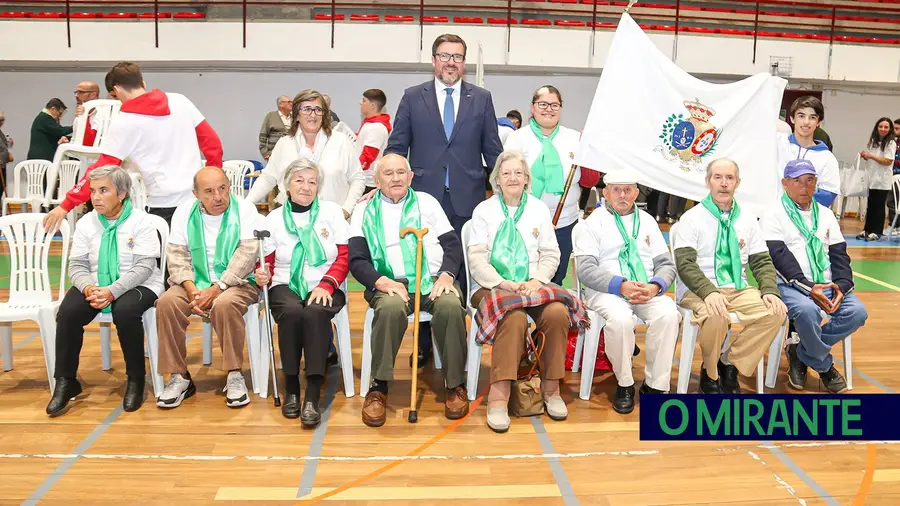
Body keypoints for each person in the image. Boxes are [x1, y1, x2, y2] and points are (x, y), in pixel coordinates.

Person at [385, 33, 504, 366]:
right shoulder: (412, 97)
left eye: (458, 56)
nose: (451, 62)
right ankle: (424, 344)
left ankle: (455, 346)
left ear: (464, 62)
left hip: (467, 200)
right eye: (445, 55)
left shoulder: (481, 98)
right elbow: (397, 146)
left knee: (460, 273)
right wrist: (389, 179)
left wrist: (507, 186)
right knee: (424, 267)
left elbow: (492, 149)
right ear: (434, 60)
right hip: (422, 199)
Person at [348, 153, 467, 427]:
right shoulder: (363, 210)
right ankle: (378, 387)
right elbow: (357, 259)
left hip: (434, 279)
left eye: (401, 172)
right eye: (388, 173)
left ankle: (455, 384)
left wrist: (447, 276)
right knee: (389, 308)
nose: (396, 178)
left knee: (450, 306)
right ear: (376, 180)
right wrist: (381, 282)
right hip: (389, 281)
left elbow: (451, 245)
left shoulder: (428, 203)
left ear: (411, 176)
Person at [43, 61, 224, 232]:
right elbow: (213, 144)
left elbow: (100, 171)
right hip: (198, 203)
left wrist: (66, 205)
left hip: (164, 209)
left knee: (164, 265)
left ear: (115, 90)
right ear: (142, 82)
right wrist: (211, 185)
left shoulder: (123, 123)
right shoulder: (180, 101)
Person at [45, 165, 164, 416]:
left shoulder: (142, 221)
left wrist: (112, 290)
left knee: (125, 310)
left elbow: (145, 266)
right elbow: (76, 265)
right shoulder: (86, 222)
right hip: (95, 283)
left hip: (138, 283)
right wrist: (88, 287)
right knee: (68, 312)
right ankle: (66, 381)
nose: (95, 197)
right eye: (92, 191)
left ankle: (135, 378)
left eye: (103, 190)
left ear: (121, 194)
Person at [467, 151, 569, 432]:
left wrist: (537, 280)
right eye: (506, 173)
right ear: (497, 180)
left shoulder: (538, 209)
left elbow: (550, 253)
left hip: (533, 285)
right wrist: (504, 283)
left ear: (527, 179)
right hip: (493, 286)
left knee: (558, 312)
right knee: (513, 317)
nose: (512, 178)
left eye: (518, 173)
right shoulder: (483, 211)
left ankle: (551, 389)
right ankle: (499, 398)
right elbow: (476, 260)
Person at [672, 158, 787, 394]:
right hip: (698, 288)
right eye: (718, 177)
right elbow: (685, 264)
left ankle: (729, 362)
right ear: (708, 181)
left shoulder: (747, 219)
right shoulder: (691, 218)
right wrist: (709, 292)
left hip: (737, 287)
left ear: (737, 183)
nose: (724, 184)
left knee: (776, 313)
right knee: (716, 315)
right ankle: (711, 373)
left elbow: (761, 261)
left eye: (729, 178)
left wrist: (769, 290)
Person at [572, 168, 680, 413]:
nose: (622, 195)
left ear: (637, 193)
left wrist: (654, 286)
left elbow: (665, 265)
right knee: (620, 320)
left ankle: (655, 386)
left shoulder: (649, 221)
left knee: (669, 314)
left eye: (628, 190)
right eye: (616, 190)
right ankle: (625, 383)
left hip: (645, 289)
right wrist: (620, 285)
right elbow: (585, 269)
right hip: (608, 291)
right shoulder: (592, 223)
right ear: (605, 193)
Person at [155, 167, 261, 409]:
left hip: (237, 282)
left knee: (224, 304)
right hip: (193, 282)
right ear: (196, 194)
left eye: (223, 188)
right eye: (209, 191)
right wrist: (193, 290)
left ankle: (234, 374)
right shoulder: (184, 212)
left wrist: (217, 287)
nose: (218, 197)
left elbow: (246, 255)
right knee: (167, 303)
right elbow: (176, 256)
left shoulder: (244, 209)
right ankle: (179, 376)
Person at [255, 159, 350, 425]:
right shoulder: (273, 219)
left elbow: (344, 256)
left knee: (315, 312)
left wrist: (327, 284)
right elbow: (267, 262)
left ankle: (312, 392)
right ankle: (292, 386)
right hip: (285, 284)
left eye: (312, 182)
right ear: (287, 186)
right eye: (299, 181)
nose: (306, 187)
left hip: (326, 283)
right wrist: (262, 273)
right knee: (294, 312)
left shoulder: (331, 213)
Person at [763, 159, 867, 394]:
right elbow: (779, 257)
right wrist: (809, 287)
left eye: (810, 181)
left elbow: (839, 254)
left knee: (857, 313)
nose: (804, 186)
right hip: (791, 285)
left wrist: (842, 285)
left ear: (816, 184)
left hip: (828, 283)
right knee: (807, 311)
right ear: (785, 183)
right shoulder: (773, 214)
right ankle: (824, 366)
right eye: (797, 181)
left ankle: (801, 353)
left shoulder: (826, 214)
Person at [504, 85, 600, 286]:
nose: (549, 109)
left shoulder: (574, 138)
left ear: (561, 108)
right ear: (532, 108)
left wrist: (589, 151)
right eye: (543, 104)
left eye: (554, 105)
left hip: (564, 223)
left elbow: (589, 181)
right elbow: (508, 180)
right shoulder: (517, 138)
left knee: (555, 280)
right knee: (523, 274)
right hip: (523, 222)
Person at [246, 89, 364, 218]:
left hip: (333, 221)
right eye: (307, 109)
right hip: (292, 220)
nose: (313, 115)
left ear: (324, 114)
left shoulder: (341, 141)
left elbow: (357, 179)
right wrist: (246, 204)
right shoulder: (284, 143)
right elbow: (268, 178)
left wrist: (347, 209)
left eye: (318, 109)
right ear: (296, 114)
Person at [776, 96, 840, 207]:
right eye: (801, 116)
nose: (806, 122)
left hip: (805, 219)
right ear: (792, 118)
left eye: (812, 117)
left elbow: (828, 194)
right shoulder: (777, 143)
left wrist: (795, 198)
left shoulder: (827, 158)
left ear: (818, 122)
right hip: (773, 216)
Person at [857, 117, 897, 241]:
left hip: (882, 181)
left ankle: (876, 232)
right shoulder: (874, 141)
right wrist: (865, 156)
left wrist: (871, 156)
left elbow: (888, 161)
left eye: (886, 127)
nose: (883, 129)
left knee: (879, 207)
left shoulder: (891, 143)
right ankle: (867, 230)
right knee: (871, 206)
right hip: (872, 179)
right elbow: (874, 158)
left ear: (890, 129)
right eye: (881, 126)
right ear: (877, 127)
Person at [356, 89, 392, 194]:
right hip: (363, 176)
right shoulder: (370, 124)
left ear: (372, 106)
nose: (360, 102)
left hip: (367, 180)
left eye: (364, 100)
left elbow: (368, 155)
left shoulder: (376, 127)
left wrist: (352, 170)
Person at [258, 95, 293, 160]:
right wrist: (265, 153)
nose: (291, 104)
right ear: (281, 104)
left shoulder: (294, 117)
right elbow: (263, 134)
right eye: (289, 102)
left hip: (291, 154)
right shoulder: (271, 116)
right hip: (274, 154)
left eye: (291, 102)